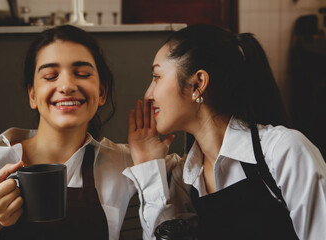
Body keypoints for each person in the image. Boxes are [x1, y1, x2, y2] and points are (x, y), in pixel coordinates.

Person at [0, 25, 176, 240]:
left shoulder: (125, 164)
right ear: (32, 94)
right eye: (50, 76)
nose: (67, 85)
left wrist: (150, 162)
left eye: (82, 73)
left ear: (102, 93)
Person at [127, 24, 326, 240]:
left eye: (156, 77)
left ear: (198, 83)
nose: (148, 95)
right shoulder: (186, 179)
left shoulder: (283, 151)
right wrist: (147, 164)